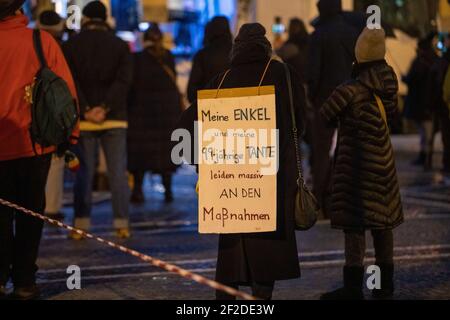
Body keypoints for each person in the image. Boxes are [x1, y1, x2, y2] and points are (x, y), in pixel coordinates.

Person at [178, 23, 306, 300]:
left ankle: (228, 296)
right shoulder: (283, 74)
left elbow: (185, 125)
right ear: (266, 47)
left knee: (234, 247)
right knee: (268, 246)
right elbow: (302, 119)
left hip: (231, 182)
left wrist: (203, 165)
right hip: (273, 178)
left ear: (237, 49)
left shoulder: (223, 80)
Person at [0, 0, 78, 299]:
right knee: (31, 213)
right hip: (33, 144)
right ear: (20, 10)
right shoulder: (40, 41)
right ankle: (24, 280)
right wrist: (69, 138)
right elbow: (65, 92)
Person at [319, 27, 404, 300]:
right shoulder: (390, 86)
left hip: (356, 168)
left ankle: (354, 287)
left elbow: (324, 115)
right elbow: (393, 118)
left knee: (355, 228)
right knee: (382, 224)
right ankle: (383, 285)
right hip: (383, 165)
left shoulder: (350, 90)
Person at [63, 1, 133, 239]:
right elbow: (124, 81)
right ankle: (122, 223)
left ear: (85, 18)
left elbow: (70, 81)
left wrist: (86, 109)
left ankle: (81, 224)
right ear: (105, 19)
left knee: (84, 172)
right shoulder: (120, 45)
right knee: (117, 172)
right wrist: (105, 107)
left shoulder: (71, 45)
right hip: (114, 118)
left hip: (84, 119)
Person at [307, 0, 359, 218]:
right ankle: (346, 196)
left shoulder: (319, 35)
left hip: (325, 99)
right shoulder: (353, 32)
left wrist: (312, 97)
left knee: (321, 150)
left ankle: (322, 198)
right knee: (348, 148)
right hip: (350, 97)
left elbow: (314, 73)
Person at [128, 23, 181, 204]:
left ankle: (137, 191)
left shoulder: (136, 59)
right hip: (167, 115)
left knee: (140, 156)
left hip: (141, 114)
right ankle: (168, 191)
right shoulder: (169, 57)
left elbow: (131, 87)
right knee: (165, 155)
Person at [36, 10, 67, 221]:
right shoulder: (60, 47)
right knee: (56, 160)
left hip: (29, 110)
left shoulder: (31, 41)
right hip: (54, 111)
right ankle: (52, 207)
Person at [403, 34, 439, 168]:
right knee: (428, 132)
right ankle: (426, 156)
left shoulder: (419, 62)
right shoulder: (435, 60)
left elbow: (412, 79)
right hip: (431, 103)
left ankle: (425, 157)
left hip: (419, 103)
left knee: (425, 132)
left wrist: (404, 79)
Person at [187, 16, 232, 104]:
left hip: (209, 110)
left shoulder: (202, 55)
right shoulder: (237, 53)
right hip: (235, 108)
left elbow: (192, 92)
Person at [277, 18, 309, 84]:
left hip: (295, 81)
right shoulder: (310, 40)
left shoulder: (292, 45)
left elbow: (276, 55)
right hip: (307, 80)